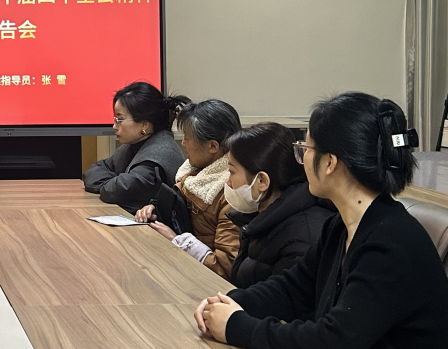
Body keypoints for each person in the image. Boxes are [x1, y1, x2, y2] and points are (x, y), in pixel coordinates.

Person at [195, 93, 448, 349]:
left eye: (305, 149)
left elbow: (336, 342)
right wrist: (230, 302)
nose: (301, 160)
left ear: (329, 162)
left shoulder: (391, 242)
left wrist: (237, 326)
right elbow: (293, 289)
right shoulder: (341, 226)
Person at [134, 99, 242, 279]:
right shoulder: (191, 172)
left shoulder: (232, 192)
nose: (183, 143)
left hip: (203, 282)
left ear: (212, 146)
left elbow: (225, 268)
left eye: (187, 138)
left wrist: (176, 241)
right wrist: (155, 210)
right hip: (182, 270)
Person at [224, 122, 333, 288]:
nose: (228, 182)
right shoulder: (260, 218)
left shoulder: (301, 240)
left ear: (262, 181)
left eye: (232, 172)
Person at [82, 82, 189, 212]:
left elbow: (114, 192)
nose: (114, 126)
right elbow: (94, 171)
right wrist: (112, 183)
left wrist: (109, 184)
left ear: (144, 125)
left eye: (119, 120)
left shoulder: (158, 156)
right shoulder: (132, 146)